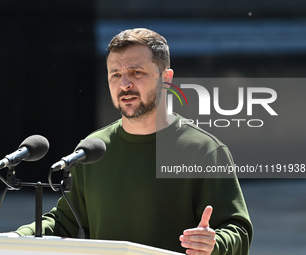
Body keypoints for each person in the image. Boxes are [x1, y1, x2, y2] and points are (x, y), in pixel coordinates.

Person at [13, 28, 253, 254]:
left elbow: (238, 230)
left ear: (166, 78)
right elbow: (65, 222)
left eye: (136, 73)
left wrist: (214, 243)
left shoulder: (204, 150)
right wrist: (16, 238)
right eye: (115, 74)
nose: (124, 84)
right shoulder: (92, 149)